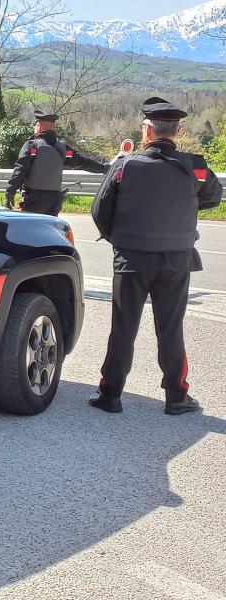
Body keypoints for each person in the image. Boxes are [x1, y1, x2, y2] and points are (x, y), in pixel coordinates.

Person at [89, 97, 223, 415]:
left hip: (131, 260)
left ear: (147, 131)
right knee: (171, 328)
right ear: (176, 131)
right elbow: (214, 196)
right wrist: (182, 206)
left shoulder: (124, 165)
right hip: (176, 261)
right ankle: (177, 396)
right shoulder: (196, 166)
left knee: (123, 328)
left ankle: (110, 394)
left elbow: (99, 210)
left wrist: (119, 239)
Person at [5, 110, 109, 215]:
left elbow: (20, 170)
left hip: (34, 199)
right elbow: (83, 162)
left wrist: (10, 192)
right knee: (49, 230)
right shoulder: (64, 149)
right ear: (53, 127)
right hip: (54, 201)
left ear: (39, 126)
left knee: (31, 230)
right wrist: (104, 169)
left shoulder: (32, 146)